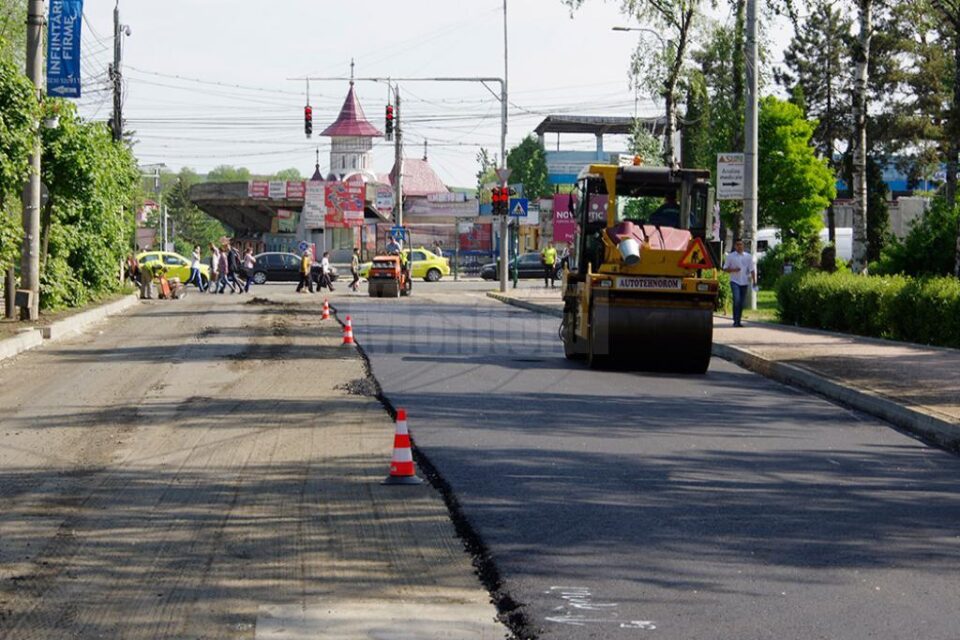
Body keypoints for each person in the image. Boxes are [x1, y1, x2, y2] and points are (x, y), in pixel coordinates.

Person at [723, 238, 757, 327]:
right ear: (735, 246)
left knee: (741, 303)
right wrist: (734, 270)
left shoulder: (748, 257)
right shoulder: (730, 256)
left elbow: (752, 270)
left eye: (741, 244)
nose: (739, 246)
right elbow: (725, 268)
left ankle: (738, 320)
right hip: (734, 281)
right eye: (737, 245)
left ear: (743, 246)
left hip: (744, 282)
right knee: (736, 300)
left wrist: (754, 281)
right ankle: (736, 321)